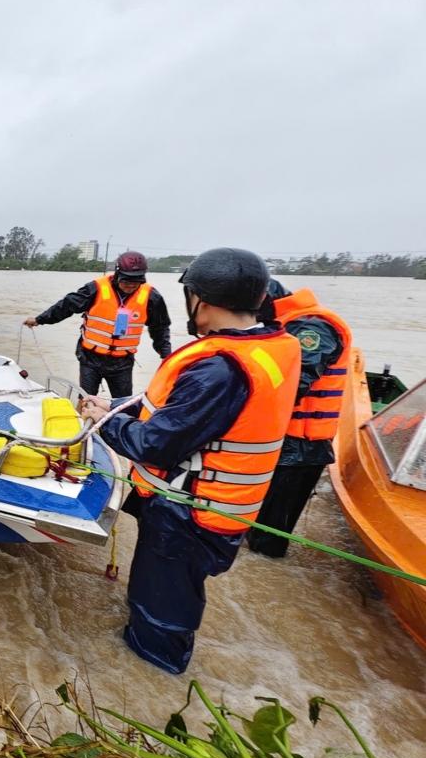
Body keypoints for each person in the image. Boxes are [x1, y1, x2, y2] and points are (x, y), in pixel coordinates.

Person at [80, 248, 301, 673]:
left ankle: (152, 675)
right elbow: (173, 409)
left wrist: (102, 422)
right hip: (219, 508)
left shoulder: (218, 369)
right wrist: (115, 405)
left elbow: (154, 445)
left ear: (202, 299)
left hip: (186, 516)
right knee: (172, 594)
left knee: (160, 613)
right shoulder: (269, 348)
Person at [246, 280, 352, 558]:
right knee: (253, 522)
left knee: (269, 535)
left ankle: (266, 581)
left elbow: (294, 382)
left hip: (301, 448)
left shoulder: (313, 327)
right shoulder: (284, 325)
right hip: (281, 440)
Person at [24, 251, 171, 397]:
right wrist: (40, 319)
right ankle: (82, 418)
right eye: (126, 280)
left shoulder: (151, 297)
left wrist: (165, 354)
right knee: (87, 399)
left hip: (122, 362)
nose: (131, 285)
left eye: (136, 281)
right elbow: (67, 305)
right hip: (90, 358)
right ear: (117, 274)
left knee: (123, 404)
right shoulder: (96, 288)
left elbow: (160, 327)